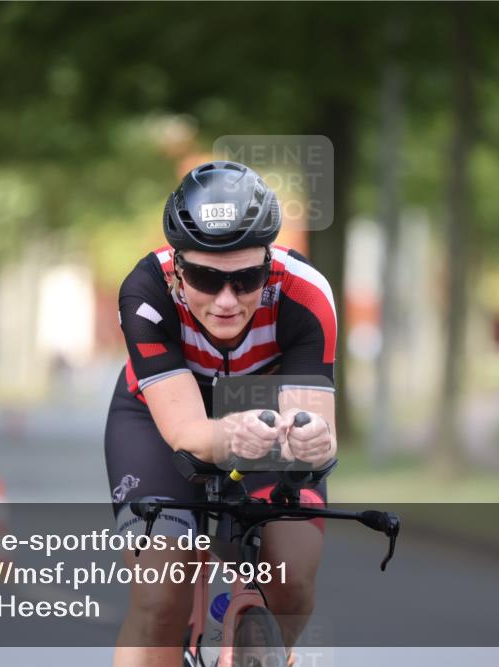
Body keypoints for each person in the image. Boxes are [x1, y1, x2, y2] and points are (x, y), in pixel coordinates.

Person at [104, 160, 338, 666]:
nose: (227, 300)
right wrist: (228, 436)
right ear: (178, 268)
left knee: (292, 581)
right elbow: (186, 431)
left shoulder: (305, 293)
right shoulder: (145, 292)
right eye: (205, 278)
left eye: (247, 278)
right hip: (159, 419)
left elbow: (314, 423)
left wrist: (314, 439)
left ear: (268, 263)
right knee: (161, 594)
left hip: (262, 413)